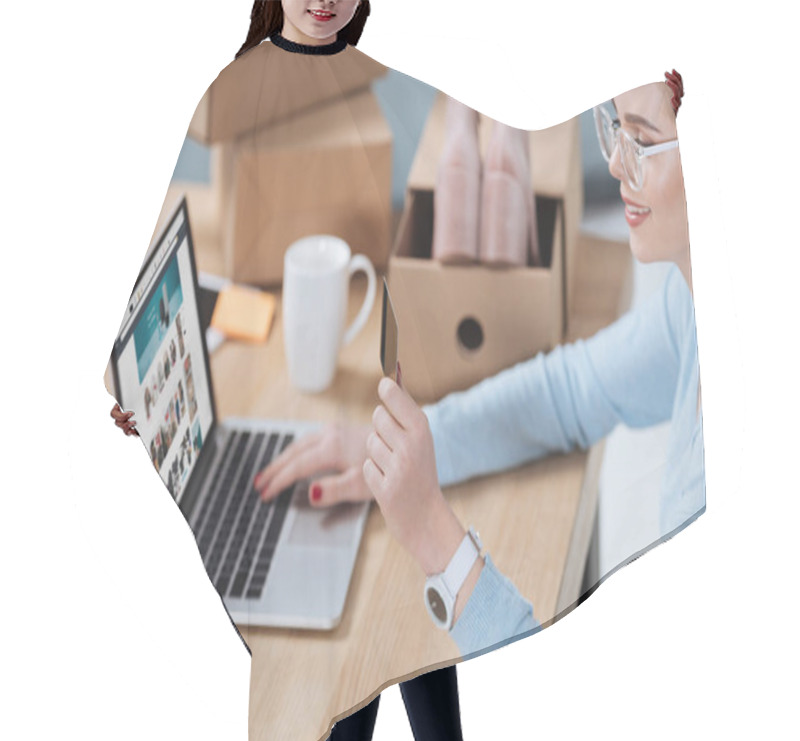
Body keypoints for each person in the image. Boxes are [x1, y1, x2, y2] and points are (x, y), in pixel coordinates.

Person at [112, 3, 478, 741]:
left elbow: (472, 162)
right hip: (265, 379)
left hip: (369, 375)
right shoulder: (232, 89)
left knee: (378, 566)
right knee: (369, 573)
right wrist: (136, 377)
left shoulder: (379, 87)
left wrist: (642, 118)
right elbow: (182, 232)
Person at [254, 70, 704, 656]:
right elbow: (570, 391)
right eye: (614, 128)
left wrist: (436, 539)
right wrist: (403, 451)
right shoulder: (693, 304)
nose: (618, 164)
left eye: (642, 141)